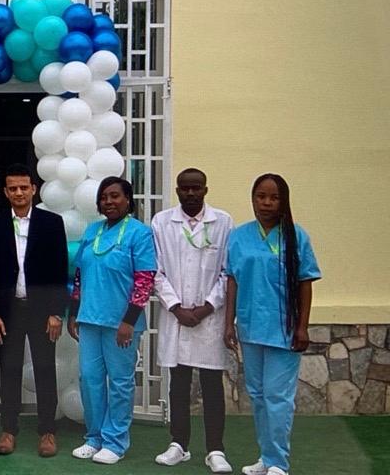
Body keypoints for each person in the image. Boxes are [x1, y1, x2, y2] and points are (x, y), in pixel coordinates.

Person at [224, 174, 320, 475]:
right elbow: (232, 281)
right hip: (250, 327)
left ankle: (279, 463)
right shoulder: (239, 236)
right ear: (253, 199)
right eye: (261, 196)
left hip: (284, 330)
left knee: (277, 398)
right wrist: (229, 324)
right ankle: (266, 458)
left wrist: (302, 327)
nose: (266, 203)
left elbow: (305, 282)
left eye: (274, 197)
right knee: (257, 396)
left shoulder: (296, 236)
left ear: (284, 201)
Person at [68, 176, 156, 466]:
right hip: (89, 319)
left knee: (120, 382)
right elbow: (79, 275)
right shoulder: (92, 230)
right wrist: (74, 312)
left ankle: (115, 441)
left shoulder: (140, 233)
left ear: (128, 200)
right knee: (89, 379)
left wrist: (129, 321)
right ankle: (94, 437)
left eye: (115, 196)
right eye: (104, 197)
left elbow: (144, 280)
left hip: (121, 324)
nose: (109, 202)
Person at [151, 168, 234, 473]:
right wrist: (176, 307)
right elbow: (155, 271)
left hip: (209, 318)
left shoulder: (223, 222)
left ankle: (215, 449)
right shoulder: (162, 222)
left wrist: (206, 308)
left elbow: (227, 272)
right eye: (184, 188)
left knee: (212, 385)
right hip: (176, 317)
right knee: (178, 384)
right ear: (177, 190)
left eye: (196, 188)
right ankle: (179, 444)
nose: (190, 193)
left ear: (205, 190)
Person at [0, 163, 69, 457]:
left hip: (42, 311)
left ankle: (47, 431)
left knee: (45, 370)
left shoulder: (51, 223)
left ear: (33, 189)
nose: (19, 192)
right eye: (13, 188)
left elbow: (59, 269)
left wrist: (56, 312)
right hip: (8, 311)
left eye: (24, 187)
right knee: (9, 371)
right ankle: (9, 429)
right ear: (5, 192)